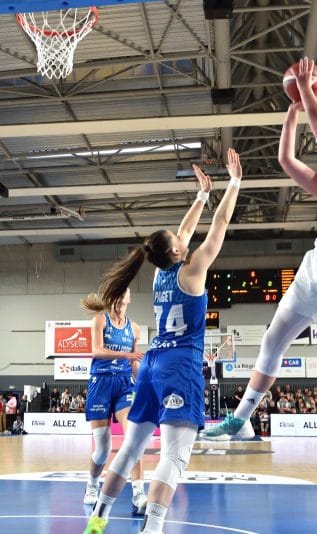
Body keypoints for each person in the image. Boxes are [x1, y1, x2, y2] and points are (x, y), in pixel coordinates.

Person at [200, 57, 317, 509]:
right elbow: (286, 158)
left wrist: (306, 92)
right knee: (273, 339)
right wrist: (294, 106)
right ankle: (241, 419)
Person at [83, 147, 242, 534]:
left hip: (152, 363)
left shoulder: (160, 274)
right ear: (175, 250)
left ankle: (98, 518)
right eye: (179, 240)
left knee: (132, 449)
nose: (183, 238)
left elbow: (184, 232)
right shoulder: (193, 271)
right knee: (174, 455)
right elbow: (218, 228)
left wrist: (202, 196)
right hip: (179, 365)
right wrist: (234, 185)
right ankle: (153, 528)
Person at [80, 287, 147, 514]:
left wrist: (145, 382)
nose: (120, 299)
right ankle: (92, 484)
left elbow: (134, 363)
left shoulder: (134, 328)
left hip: (123, 385)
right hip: (100, 384)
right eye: (116, 295)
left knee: (133, 439)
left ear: (129, 298)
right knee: (102, 450)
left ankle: (139, 493)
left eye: (123, 295)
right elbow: (97, 351)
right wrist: (126, 355)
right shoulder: (100, 320)